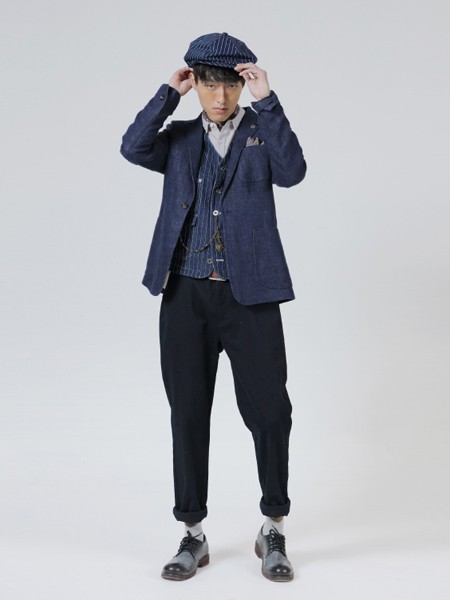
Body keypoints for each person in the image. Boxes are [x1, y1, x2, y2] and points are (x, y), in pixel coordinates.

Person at [120, 32, 307, 582]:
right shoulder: (178, 138)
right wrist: (166, 94)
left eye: (229, 85)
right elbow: (132, 147)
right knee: (187, 412)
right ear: (196, 84)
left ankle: (272, 526)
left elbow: (293, 171)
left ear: (241, 86)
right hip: (185, 293)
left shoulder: (261, 132)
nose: (220, 97)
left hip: (251, 294)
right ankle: (193, 533)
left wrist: (268, 100)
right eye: (208, 84)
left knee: (270, 412)